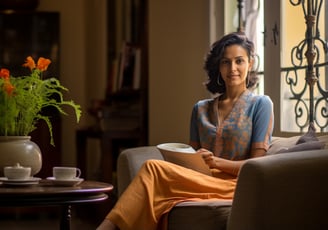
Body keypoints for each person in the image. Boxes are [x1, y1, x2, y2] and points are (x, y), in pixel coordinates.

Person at [97, 32, 274, 230]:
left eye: (239, 61)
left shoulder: (261, 104)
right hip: (199, 180)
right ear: (219, 66)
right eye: (226, 62)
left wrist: (217, 162)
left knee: (152, 169)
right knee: (154, 176)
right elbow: (190, 159)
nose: (232, 68)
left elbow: (257, 165)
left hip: (235, 186)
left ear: (250, 64)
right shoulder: (200, 109)